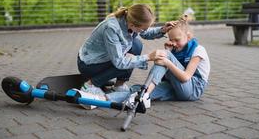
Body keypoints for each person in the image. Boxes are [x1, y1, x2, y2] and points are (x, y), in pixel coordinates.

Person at [77, 14, 210, 109]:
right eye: (171, 39)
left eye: (177, 40)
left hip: (193, 89)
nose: (173, 43)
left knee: (164, 57)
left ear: (189, 36)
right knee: (136, 92)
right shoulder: (114, 26)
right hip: (177, 88)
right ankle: (101, 100)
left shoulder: (198, 50)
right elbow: (164, 76)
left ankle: (145, 93)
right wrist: (167, 54)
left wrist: (168, 59)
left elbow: (186, 77)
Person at [77, 4, 176, 96]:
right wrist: (148, 57)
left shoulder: (129, 21)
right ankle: (90, 85)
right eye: (143, 29)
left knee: (136, 45)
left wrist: (163, 30)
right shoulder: (111, 28)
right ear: (133, 25)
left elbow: (145, 33)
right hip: (89, 64)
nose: (144, 31)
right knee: (129, 60)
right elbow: (119, 62)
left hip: (105, 58)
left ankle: (119, 85)